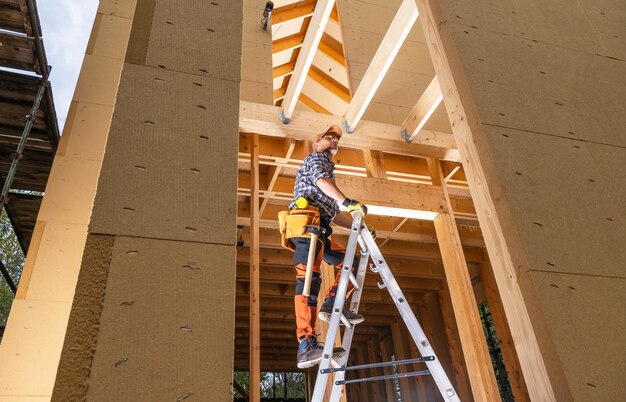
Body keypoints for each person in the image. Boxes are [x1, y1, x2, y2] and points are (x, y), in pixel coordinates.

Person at [288, 125, 372, 369]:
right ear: (317, 143)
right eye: (328, 136)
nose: (333, 139)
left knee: (352, 263)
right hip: (307, 226)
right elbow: (319, 181)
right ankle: (306, 343)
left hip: (321, 227)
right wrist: (347, 202)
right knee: (307, 281)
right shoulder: (316, 159)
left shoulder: (329, 175)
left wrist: (360, 224)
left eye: (335, 138)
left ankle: (333, 304)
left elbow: (334, 214)